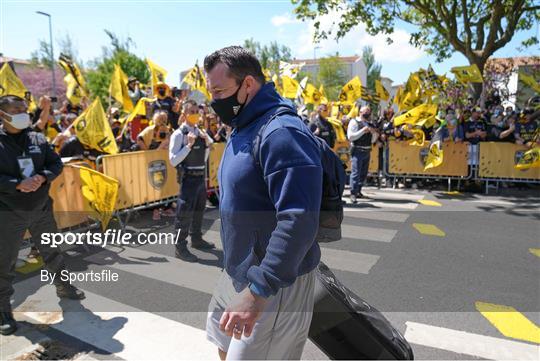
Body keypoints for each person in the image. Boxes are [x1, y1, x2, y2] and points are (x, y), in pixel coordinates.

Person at [204, 46, 322, 360]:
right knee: (223, 347)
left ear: (248, 85)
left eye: (219, 91)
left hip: (271, 287)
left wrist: (258, 292)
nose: (214, 101)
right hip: (238, 272)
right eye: (210, 92)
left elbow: (299, 219)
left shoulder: (281, 133)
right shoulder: (244, 125)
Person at [0, 95, 85, 336]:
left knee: (52, 251)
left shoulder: (36, 137)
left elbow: (55, 163)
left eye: (24, 109)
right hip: (9, 212)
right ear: (2, 114)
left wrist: (43, 176)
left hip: (41, 209)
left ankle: (63, 286)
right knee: (4, 261)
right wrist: (16, 184)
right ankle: (3, 309)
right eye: (16, 110)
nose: (22, 113)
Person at [169, 100, 215, 262]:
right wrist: (188, 145)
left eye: (197, 110)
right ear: (184, 114)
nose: (196, 114)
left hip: (200, 177)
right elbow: (173, 161)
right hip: (187, 178)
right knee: (184, 214)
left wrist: (208, 145)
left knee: (199, 210)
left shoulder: (200, 131)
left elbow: (206, 154)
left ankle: (196, 239)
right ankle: (180, 247)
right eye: (192, 111)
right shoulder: (178, 134)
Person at [347, 106, 377, 202]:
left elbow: (373, 140)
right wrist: (363, 131)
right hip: (357, 150)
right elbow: (351, 137)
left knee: (363, 174)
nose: (368, 112)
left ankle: (358, 191)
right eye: (366, 110)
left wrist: (374, 133)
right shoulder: (354, 122)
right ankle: (353, 193)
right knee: (355, 173)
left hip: (367, 150)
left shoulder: (370, 124)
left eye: (369, 110)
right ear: (360, 112)